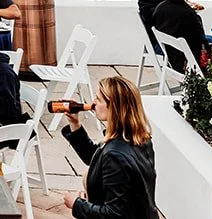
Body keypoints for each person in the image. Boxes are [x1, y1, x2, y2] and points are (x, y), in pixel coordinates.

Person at [61, 75, 157, 219]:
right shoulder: (139, 139)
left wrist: (76, 204)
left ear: (114, 108)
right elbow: (95, 158)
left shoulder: (115, 155)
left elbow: (114, 214)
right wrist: (75, 125)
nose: (93, 103)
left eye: (99, 99)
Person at [151, 0, 208, 72]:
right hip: (186, 65)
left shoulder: (160, 7)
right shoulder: (188, 14)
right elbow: (200, 42)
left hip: (169, 59)